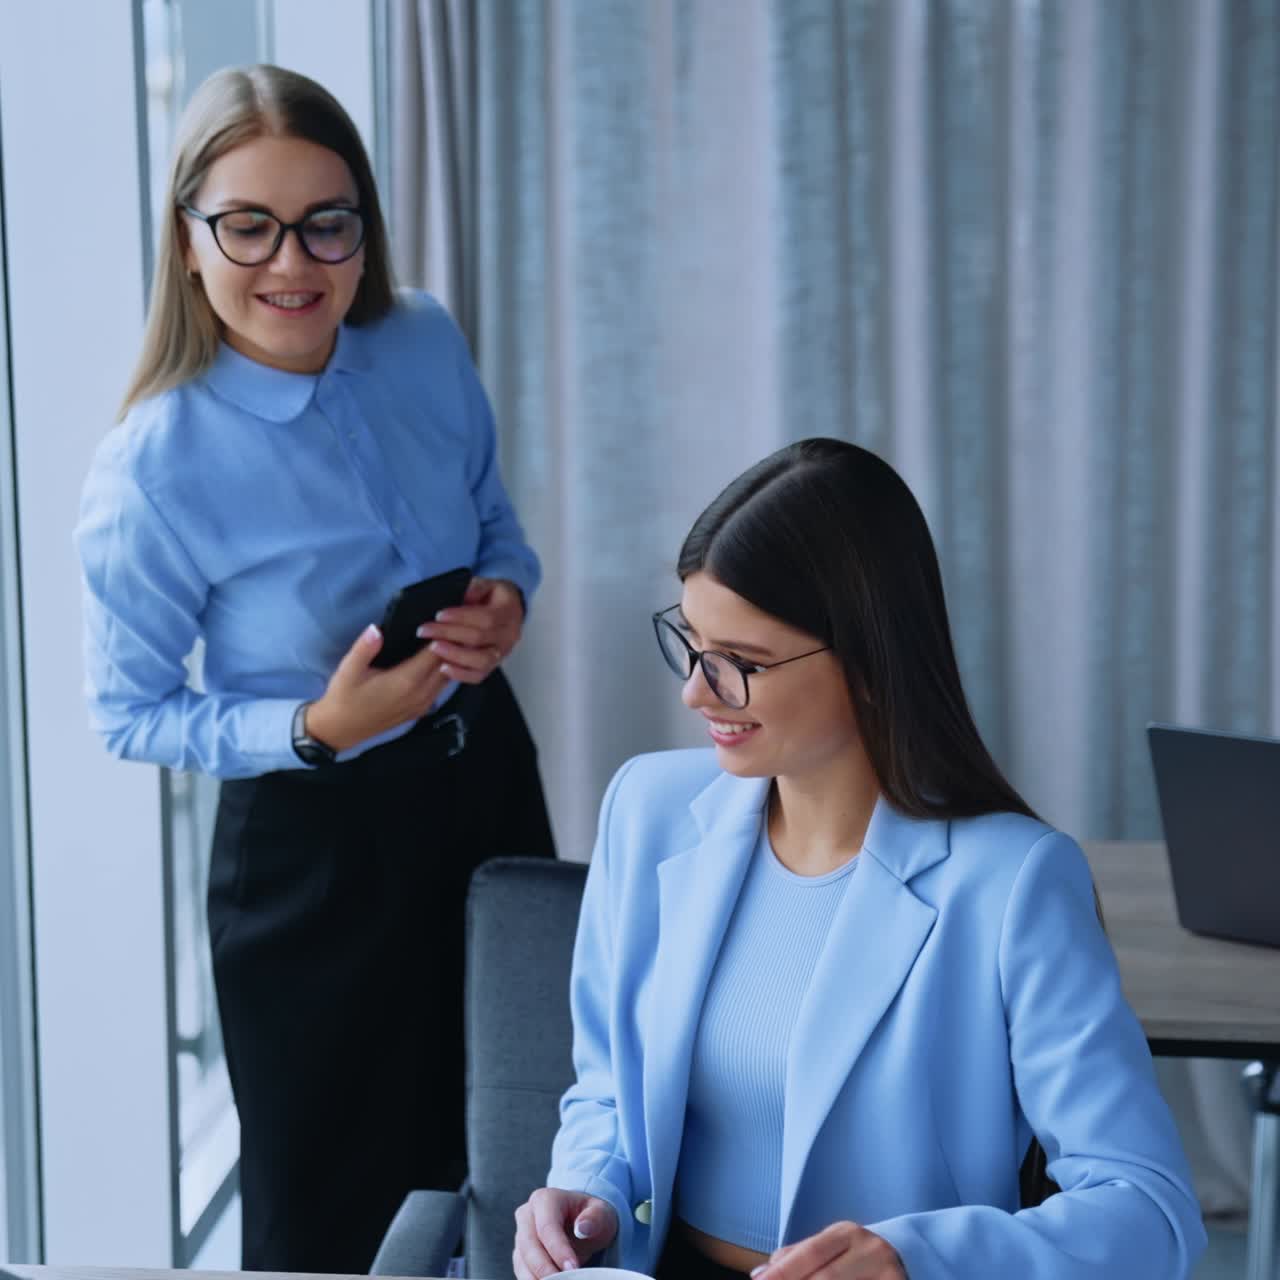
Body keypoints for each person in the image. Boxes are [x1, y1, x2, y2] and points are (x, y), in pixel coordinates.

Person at [514, 439, 1205, 1280]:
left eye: (744, 663)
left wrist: (915, 1261)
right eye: (693, 644)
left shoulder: (1013, 883)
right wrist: (588, 1190)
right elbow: (610, 1089)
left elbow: (1148, 1209)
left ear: (872, 664)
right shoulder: (649, 811)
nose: (696, 690)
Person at [76, 64, 555, 1274]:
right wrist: (312, 726)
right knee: (331, 1212)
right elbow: (129, 712)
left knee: (521, 1149)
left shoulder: (422, 337)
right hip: (312, 851)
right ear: (189, 242)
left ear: (363, 229)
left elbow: (495, 520)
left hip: (486, 783)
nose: (293, 262)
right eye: (248, 224)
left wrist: (506, 599)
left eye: (326, 222)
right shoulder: (153, 467)